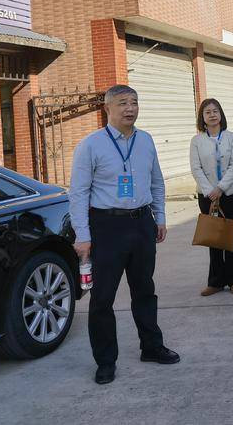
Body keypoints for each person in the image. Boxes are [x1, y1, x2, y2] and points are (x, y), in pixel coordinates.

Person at [69, 84, 180, 385]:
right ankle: (105, 361)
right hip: (107, 226)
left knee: (144, 289)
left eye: (134, 102)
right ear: (107, 108)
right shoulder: (90, 145)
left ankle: (151, 347)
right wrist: (83, 235)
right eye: (122, 103)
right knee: (102, 298)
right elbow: (78, 193)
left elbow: (156, 181)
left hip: (142, 222)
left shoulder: (145, 140)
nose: (130, 108)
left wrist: (160, 217)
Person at [190, 98, 233, 296]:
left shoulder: (232, 137)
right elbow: (196, 168)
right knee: (213, 237)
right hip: (207, 196)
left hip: (229, 194)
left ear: (220, 114)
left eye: (215, 111)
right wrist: (209, 191)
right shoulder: (197, 141)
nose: (212, 115)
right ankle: (215, 282)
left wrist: (220, 188)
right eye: (207, 112)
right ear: (202, 118)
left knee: (229, 235)